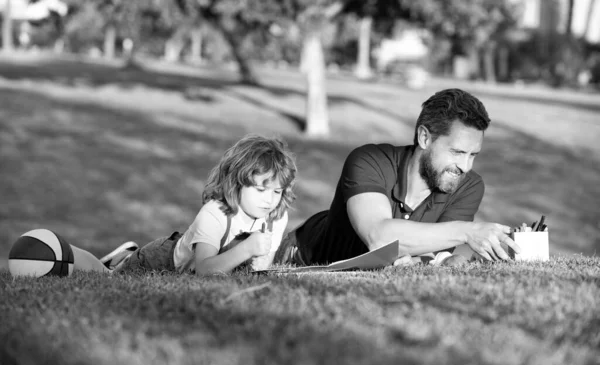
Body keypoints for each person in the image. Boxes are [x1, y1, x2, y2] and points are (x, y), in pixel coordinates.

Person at [275, 88, 520, 267]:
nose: (465, 166)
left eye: (473, 154)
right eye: (457, 152)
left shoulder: (469, 185)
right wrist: (469, 232)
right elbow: (378, 237)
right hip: (305, 258)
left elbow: (433, 254)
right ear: (425, 138)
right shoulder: (369, 160)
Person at [60, 134, 298, 275]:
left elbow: (260, 269)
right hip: (160, 262)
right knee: (105, 278)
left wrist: (258, 262)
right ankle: (62, 252)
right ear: (237, 182)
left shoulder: (275, 216)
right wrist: (246, 249)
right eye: (260, 189)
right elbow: (204, 270)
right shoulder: (215, 214)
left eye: (277, 191)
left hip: (193, 265)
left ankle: (122, 256)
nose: (269, 199)